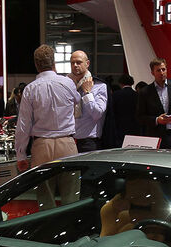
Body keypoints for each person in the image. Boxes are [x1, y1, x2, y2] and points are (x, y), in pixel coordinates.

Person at [15, 45, 80, 209]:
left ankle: (49, 231)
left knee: (45, 197)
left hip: (42, 145)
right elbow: (78, 101)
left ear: (36, 65)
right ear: (54, 63)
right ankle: (72, 231)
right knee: (71, 195)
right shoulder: (68, 83)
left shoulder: (30, 89)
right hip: (67, 143)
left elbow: (23, 125)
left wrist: (20, 155)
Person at [135, 58, 171, 149]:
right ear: (152, 73)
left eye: (163, 69)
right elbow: (140, 116)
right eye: (158, 70)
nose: (162, 72)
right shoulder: (145, 92)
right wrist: (157, 120)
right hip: (154, 137)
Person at [69, 50, 108, 152]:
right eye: (72, 63)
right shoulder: (68, 85)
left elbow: (97, 114)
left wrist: (87, 93)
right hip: (70, 140)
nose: (75, 65)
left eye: (78, 62)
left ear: (87, 64)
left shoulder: (99, 86)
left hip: (89, 142)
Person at [112, 74, 140, 145]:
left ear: (120, 83)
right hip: (135, 127)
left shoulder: (115, 95)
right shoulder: (138, 95)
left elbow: (112, 112)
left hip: (120, 127)